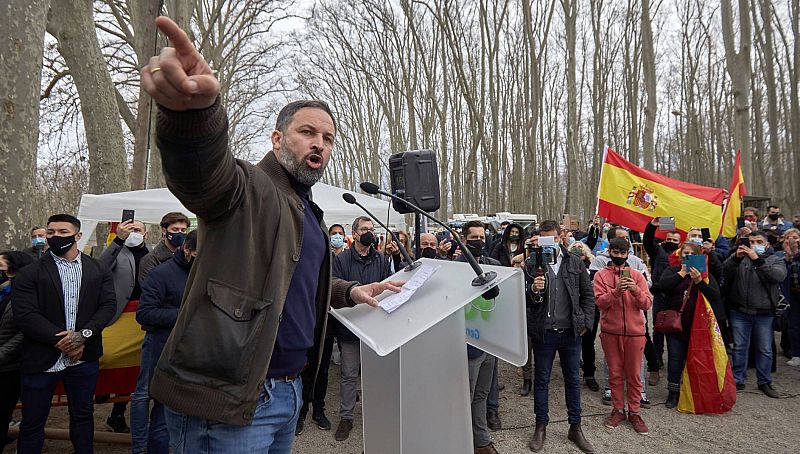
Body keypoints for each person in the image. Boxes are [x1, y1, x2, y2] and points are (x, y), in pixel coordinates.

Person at [141, 16, 401, 453]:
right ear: (278, 139)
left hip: (287, 392)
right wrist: (193, 117)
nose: (319, 143)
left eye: (328, 138)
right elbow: (202, 173)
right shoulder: (248, 188)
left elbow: (291, 278)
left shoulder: (310, 213)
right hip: (226, 401)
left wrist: (348, 291)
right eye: (307, 132)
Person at [12, 214, 117, 454]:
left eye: (62, 232)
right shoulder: (30, 272)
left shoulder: (97, 268)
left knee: (82, 416)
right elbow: (25, 315)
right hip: (41, 359)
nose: (55, 237)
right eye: (51, 232)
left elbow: (108, 306)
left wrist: (83, 336)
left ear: (78, 236)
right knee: (32, 422)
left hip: (84, 357)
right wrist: (64, 341)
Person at [526, 220, 595, 453]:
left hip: (570, 333)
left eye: (553, 239)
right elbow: (526, 300)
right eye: (544, 239)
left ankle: (575, 427)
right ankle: (541, 426)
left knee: (573, 380)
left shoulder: (575, 262)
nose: (549, 244)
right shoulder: (532, 264)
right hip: (543, 333)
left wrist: (585, 323)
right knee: (542, 380)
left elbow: (587, 295)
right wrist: (534, 290)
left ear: (560, 238)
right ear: (539, 239)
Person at [130, 230, 198, 454]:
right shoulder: (161, 274)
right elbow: (145, 313)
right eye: (200, 253)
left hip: (196, 352)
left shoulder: (207, 271)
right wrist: (186, 314)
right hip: (163, 349)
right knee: (161, 412)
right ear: (186, 249)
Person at [330, 216, 392, 442]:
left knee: (376, 374)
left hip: (376, 327)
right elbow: (335, 287)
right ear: (354, 234)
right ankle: (346, 417)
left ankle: (378, 415)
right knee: (348, 375)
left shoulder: (382, 259)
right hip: (350, 328)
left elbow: (387, 285)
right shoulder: (342, 260)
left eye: (372, 229)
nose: (369, 232)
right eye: (365, 229)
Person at [593, 237, 652, 435]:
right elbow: (600, 302)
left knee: (635, 375)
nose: (619, 256)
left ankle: (634, 412)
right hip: (611, 331)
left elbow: (647, 304)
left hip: (635, 333)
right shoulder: (601, 276)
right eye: (615, 253)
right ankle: (618, 410)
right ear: (610, 252)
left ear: (628, 254)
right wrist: (617, 292)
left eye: (622, 253)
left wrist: (635, 290)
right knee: (615, 374)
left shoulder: (637, 275)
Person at [98, 219, 150, 433]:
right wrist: (118, 239)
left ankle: (117, 413)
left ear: (146, 234)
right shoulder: (115, 250)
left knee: (133, 368)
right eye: (130, 229)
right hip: (116, 316)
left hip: (140, 319)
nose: (133, 233)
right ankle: (100, 389)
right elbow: (99, 268)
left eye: (137, 230)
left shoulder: (152, 255)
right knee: (106, 356)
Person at [658, 242, 723, 408]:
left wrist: (700, 281)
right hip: (676, 325)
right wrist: (681, 274)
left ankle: (693, 391)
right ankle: (673, 393)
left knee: (695, 359)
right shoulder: (673, 270)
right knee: (675, 358)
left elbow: (715, 296)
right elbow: (662, 286)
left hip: (697, 326)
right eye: (684, 253)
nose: (687, 256)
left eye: (691, 254)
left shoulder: (705, 275)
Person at [724, 230, 787, 398]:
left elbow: (778, 276)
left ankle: (764, 381)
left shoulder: (775, 259)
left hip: (764, 313)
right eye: (751, 241)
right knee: (739, 348)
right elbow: (725, 272)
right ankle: (738, 379)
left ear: (767, 244)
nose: (754, 245)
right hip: (740, 311)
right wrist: (736, 257)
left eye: (759, 241)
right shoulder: (739, 258)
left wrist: (757, 260)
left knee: (764, 349)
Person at [456, 220, 501, 454]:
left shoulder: (493, 265)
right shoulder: (454, 269)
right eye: (474, 238)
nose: (479, 242)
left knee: (482, 395)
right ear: (464, 240)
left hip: (489, 343)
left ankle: (481, 441)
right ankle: (462, 442)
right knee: (467, 396)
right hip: (468, 344)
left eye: (482, 237)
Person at [643, 217, 683, 385]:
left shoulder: (683, 253)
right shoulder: (657, 251)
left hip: (677, 296)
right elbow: (647, 241)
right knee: (658, 328)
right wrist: (652, 226)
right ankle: (657, 360)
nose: (671, 242)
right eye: (669, 239)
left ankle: (677, 364)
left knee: (676, 328)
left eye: (675, 240)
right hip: (660, 294)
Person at [0, 251, 34, 448]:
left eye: (2, 266)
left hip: (9, 367)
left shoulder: (26, 295)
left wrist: (2, 354)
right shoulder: (3, 290)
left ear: (13, 270)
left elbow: (24, 332)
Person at [138, 212, 191, 285]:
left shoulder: (188, 257)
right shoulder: (150, 260)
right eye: (175, 230)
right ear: (164, 231)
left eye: (183, 230)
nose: (180, 233)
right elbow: (149, 288)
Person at [782, 229, 800, 366]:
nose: (792, 240)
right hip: (792, 296)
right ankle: (796, 354)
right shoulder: (779, 256)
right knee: (793, 326)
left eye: (795, 237)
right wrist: (788, 257)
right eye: (788, 238)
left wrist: (795, 255)